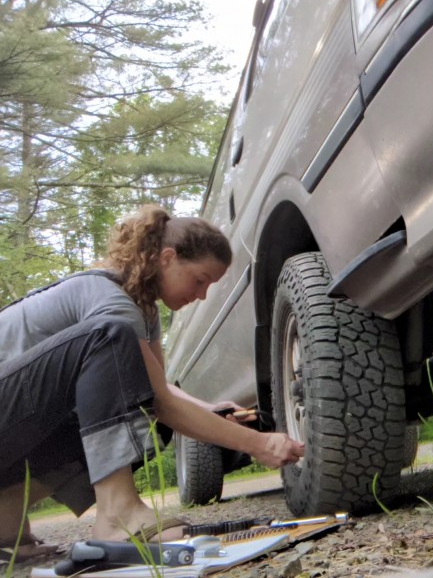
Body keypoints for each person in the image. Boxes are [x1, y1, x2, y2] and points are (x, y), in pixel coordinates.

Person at [0, 205, 304, 557]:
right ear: (167, 258)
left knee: (148, 417)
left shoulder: (141, 308)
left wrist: (210, 408)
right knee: (113, 346)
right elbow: (161, 400)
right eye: (200, 280)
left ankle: (5, 518)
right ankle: (118, 514)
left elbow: (151, 387)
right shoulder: (110, 301)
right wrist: (259, 444)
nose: (201, 295)